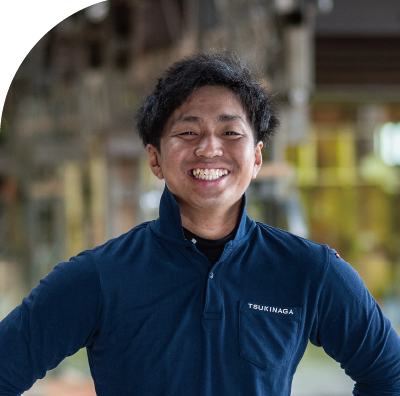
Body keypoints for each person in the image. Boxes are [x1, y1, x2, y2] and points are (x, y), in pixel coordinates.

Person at [1, 51, 400, 396]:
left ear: (256, 158)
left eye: (230, 131)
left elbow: (390, 376)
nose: (209, 147)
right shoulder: (100, 277)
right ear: (155, 158)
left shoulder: (309, 271)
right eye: (188, 131)